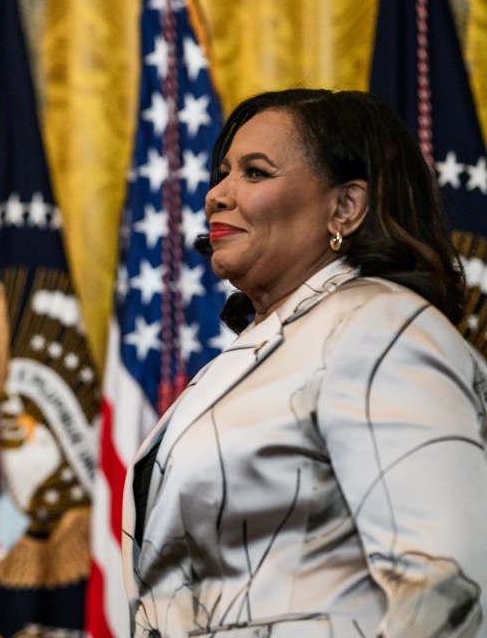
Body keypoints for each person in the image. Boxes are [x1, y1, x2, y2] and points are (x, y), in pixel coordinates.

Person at [123, 88, 487, 637]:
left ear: (345, 206)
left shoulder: (378, 328)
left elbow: (448, 589)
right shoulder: (272, 345)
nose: (216, 195)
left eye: (256, 173)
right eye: (223, 172)